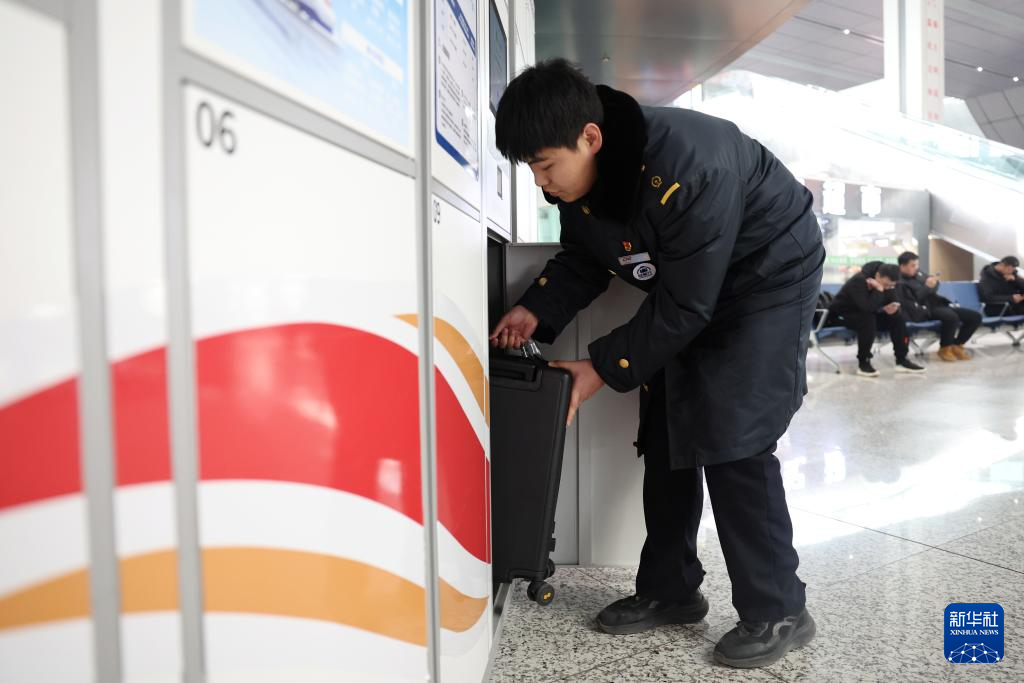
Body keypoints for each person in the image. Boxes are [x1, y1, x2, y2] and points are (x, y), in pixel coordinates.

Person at [490, 58, 823, 669]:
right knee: (667, 428)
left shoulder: (692, 164)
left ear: (590, 137)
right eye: (531, 169)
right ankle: (671, 590)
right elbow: (587, 257)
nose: (542, 183)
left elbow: (689, 305)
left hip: (766, 279)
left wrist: (598, 369)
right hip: (690, 289)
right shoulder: (584, 176)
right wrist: (535, 309)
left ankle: (780, 607)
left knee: (735, 436)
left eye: (545, 165)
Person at [825, 262, 927, 377]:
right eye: (886, 285)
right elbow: (867, 306)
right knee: (867, 318)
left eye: (891, 286)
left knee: (897, 317)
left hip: (866, 313)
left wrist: (892, 306)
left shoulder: (889, 281)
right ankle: (864, 362)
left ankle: (902, 360)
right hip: (841, 315)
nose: (888, 288)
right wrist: (879, 289)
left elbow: (892, 299)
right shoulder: (858, 281)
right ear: (878, 275)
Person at [896, 251, 980, 361]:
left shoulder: (919, 274)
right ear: (902, 266)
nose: (916, 268)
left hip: (938, 304)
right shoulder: (900, 282)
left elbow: (934, 285)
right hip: (924, 310)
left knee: (975, 317)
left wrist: (933, 284)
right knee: (951, 317)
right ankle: (945, 348)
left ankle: (957, 345)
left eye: (916, 265)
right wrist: (928, 287)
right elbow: (914, 300)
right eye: (913, 265)